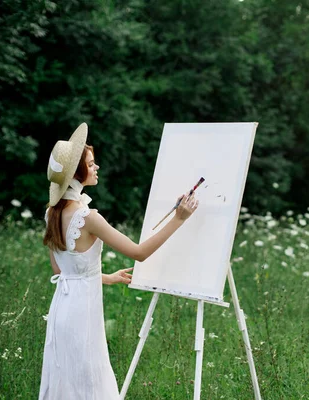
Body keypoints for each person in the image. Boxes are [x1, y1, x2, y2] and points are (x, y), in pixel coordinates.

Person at [39, 122, 199, 399]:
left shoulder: (51, 213)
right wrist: (178, 219)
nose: (97, 166)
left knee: (68, 379)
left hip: (62, 309)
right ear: (78, 173)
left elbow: (61, 270)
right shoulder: (88, 217)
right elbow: (139, 253)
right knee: (89, 380)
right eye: (91, 163)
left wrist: (106, 277)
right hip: (81, 312)